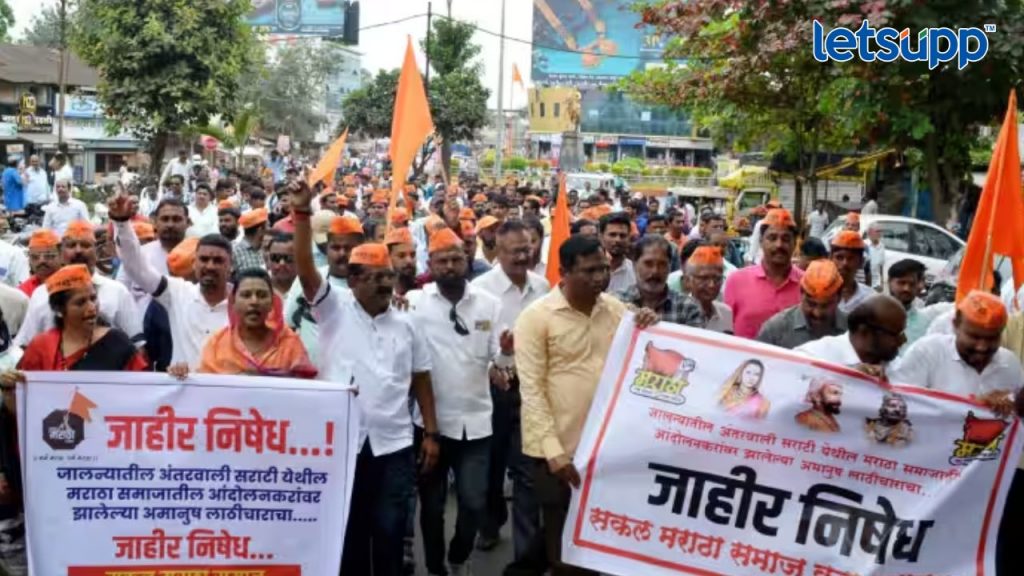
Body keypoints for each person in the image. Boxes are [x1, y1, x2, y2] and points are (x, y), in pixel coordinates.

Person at [289, 180, 440, 576]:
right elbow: (304, 266)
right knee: (350, 535)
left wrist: (431, 434)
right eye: (375, 278)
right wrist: (302, 215)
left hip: (395, 446)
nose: (385, 285)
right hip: (344, 445)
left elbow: (421, 377)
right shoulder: (332, 309)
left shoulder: (407, 323)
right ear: (353, 281)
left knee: (390, 534)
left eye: (388, 277)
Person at [515, 235, 657, 576]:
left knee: (594, 542)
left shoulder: (616, 310)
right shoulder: (536, 318)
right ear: (564, 273)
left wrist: (648, 322)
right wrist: (554, 452)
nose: (599, 278)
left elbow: (642, 349)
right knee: (564, 550)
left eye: (603, 269)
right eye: (589, 271)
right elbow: (531, 390)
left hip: (603, 451)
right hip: (556, 452)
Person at [406, 228, 513, 576]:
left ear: (467, 261)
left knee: (473, 501)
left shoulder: (489, 305)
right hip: (429, 426)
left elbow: (499, 360)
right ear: (431, 264)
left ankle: (458, 554)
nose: (450, 266)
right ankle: (437, 567)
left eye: (456, 259)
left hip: (477, 422)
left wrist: (506, 357)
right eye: (443, 261)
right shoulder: (413, 303)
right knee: (432, 507)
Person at [471, 220, 550, 571]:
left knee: (526, 475)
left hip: (530, 390)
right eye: (515, 250)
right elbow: (471, 346)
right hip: (491, 389)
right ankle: (490, 521)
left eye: (528, 248)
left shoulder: (543, 286)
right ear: (497, 253)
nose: (524, 255)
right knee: (489, 471)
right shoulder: (480, 290)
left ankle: (524, 562)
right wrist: (492, 364)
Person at [110, 197, 231, 370]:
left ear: (231, 265)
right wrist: (121, 223)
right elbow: (136, 267)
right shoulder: (178, 293)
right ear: (194, 263)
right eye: (204, 259)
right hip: (181, 390)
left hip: (229, 391)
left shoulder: (242, 301)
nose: (210, 266)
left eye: (218, 260)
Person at [15, 221, 142, 349]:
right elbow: (25, 344)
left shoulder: (117, 291)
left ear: (96, 252)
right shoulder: (42, 293)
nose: (78, 251)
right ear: (61, 253)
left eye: (85, 245)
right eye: (71, 245)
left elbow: (137, 344)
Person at [183, 268, 316, 378]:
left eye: (262, 295)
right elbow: (204, 388)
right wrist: (180, 376)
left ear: (272, 303)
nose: (254, 302)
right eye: (246, 295)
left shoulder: (289, 343)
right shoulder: (217, 344)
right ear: (233, 302)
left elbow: (305, 388)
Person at [15, 264, 147, 371]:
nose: (91, 307)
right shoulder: (42, 346)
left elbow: (141, 389)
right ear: (59, 310)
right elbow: (23, 395)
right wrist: (8, 387)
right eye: (80, 302)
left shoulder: (117, 342)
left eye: (93, 298)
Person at [284, 215, 365, 365]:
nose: (342, 254)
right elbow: (288, 325)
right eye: (335, 247)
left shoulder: (370, 284)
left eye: (348, 248)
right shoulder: (311, 279)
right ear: (326, 248)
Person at [724, 209, 803, 338]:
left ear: (795, 243)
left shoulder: (807, 284)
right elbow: (725, 332)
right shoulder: (736, 281)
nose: (779, 245)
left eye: (786, 239)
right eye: (772, 238)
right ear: (761, 241)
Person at [795, 295, 907, 374]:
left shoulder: (897, 368)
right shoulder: (812, 357)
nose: (903, 340)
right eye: (896, 334)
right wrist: (849, 380)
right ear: (864, 332)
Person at [756, 259, 847, 349]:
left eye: (825, 306)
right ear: (801, 293)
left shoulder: (851, 329)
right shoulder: (776, 329)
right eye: (811, 304)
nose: (817, 313)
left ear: (839, 298)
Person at [616, 236, 696, 324]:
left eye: (662, 264)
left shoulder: (688, 307)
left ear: (670, 267)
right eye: (648, 264)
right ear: (634, 264)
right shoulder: (616, 302)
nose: (655, 271)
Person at [887, 259, 943, 353]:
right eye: (901, 283)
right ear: (889, 282)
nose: (906, 288)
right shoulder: (871, 314)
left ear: (919, 286)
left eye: (912, 284)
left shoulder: (926, 322)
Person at [681, 245, 733, 333]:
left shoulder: (726, 313)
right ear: (687, 281)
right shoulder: (676, 312)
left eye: (717, 279)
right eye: (704, 278)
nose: (711, 285)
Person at [830, 230, 874, 314]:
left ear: (861, 262)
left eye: (851, 258)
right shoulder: (818, 295)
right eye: (839, 257)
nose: (845, 263)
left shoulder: (870, 298)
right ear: (830, 259)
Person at [600, 213, 635, 294]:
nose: (617, 240)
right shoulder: (587, 272)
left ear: (629, 238)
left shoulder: (635, 272)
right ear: (601, 237)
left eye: (622, 235)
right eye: (612, 235)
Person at [19, 229, 61, 297]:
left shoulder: (75, 284)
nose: (41, 260)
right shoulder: (23, 291)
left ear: (61, 256)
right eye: (35, 257)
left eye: (48, 256)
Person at [233, 208, 268, 273]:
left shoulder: (266, 249)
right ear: (260, 230)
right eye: (267, 226)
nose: (270, 230)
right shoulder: (235, 252)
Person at [385, 228, 418, 296]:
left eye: (412, 255)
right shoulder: (381, 294)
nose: (409, 261)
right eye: (401, 256)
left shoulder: (424, 287)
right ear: (388, 258)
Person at [265, 231, 297, 296]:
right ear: (267, 260)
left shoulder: (311, 288)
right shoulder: (259, 287)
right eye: (275, 258)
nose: (282, 264)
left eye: (288, 258)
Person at [865, 224, 886, 290]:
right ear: (870, 232)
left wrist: (882, 283)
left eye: (881, 231)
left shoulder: (881, 246)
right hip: (865, 283)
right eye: (877, 231)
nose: (879, 233)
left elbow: (881, 266)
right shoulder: (864, 245)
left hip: (876, 285)